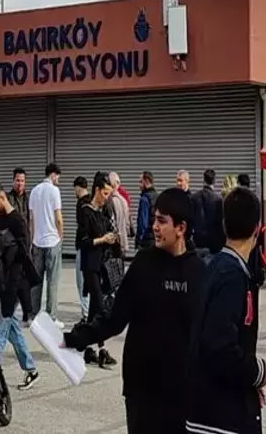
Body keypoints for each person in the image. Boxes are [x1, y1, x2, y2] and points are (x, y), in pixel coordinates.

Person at [64, 188, 205, 434]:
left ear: (181, 228)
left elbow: (209, 336)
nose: (154, 227)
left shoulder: (199, 273)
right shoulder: (144, 263)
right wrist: (78, 337)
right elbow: (115, 317)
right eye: (154, 220)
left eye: (162, 221)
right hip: (142, 388)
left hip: (182, 391)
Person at [186, 187, 266, 434]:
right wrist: (257, 371)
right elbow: (220, 345)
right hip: (220, 416)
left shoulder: (215, 267)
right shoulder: (233, 275)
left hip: (209, 405)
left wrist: (249, 382)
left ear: (224, 224)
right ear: (257, 229)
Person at [0, 182, 40, 390]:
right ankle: (31, 369)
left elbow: (24, 255)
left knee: (0, 328)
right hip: (2, 280)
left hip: (15, 283)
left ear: (1, 197)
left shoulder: (18, 221)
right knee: (12, 329)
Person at [73, 173, 119, 368]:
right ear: (97, 190)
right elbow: (81, 241)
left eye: (109, 193)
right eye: (105, 193)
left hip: (101, 265)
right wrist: (102, 240)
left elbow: (110, 230)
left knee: (94, 310)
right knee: (100, 306)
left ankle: (85, 346)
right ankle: (101, 349)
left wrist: (112, 237)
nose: (107, 197)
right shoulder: (86, 211)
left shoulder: (103, 211)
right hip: (89, 265)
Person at [29, 163, 64, 328]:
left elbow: (31, 219)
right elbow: (58, 217)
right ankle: (51, 316)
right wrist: (60, 237)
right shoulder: (54, 191)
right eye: (58, 177)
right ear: (54, 175)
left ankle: (33, 314)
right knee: (52, 280)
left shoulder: (34, 191)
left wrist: (32, 238)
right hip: (52, 241)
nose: (58, 180)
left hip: (37, 241)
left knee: (36, 280)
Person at [192, 169, 225, 264]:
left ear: (204, 180)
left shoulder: (194, 198)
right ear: (214, 181)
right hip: (213, 245)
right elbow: (221, 222)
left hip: (198, 242)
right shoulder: (218, 200)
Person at [73, 176, 91, 320]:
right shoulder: (92, 201)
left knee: (81, 282)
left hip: (82, 246)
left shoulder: (81, 204)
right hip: (91, 247)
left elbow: (82, 227)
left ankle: (85, 313)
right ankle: (89, 310)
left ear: (78, 188)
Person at [108, 172, 131, 253]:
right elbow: (127, 222)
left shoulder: (111, 200)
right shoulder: (123, 199)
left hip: (114, 241)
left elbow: (112, 222)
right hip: (122, 239)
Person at [135, 171, 158, 249]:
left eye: (140, 182)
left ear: (146, 181)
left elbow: (143, 223)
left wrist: (139, 241)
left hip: (146, 241)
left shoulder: (144, 199)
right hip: (155, 239)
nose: (139, 185)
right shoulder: (157, 197)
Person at [8, 168, 30, 232]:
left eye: (22, 181)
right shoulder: (8, 198)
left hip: (26, 236)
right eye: (17, 180)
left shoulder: (29, 199)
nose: (20, 183)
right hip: (12, 236)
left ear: (25, 182)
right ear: (13, 181)